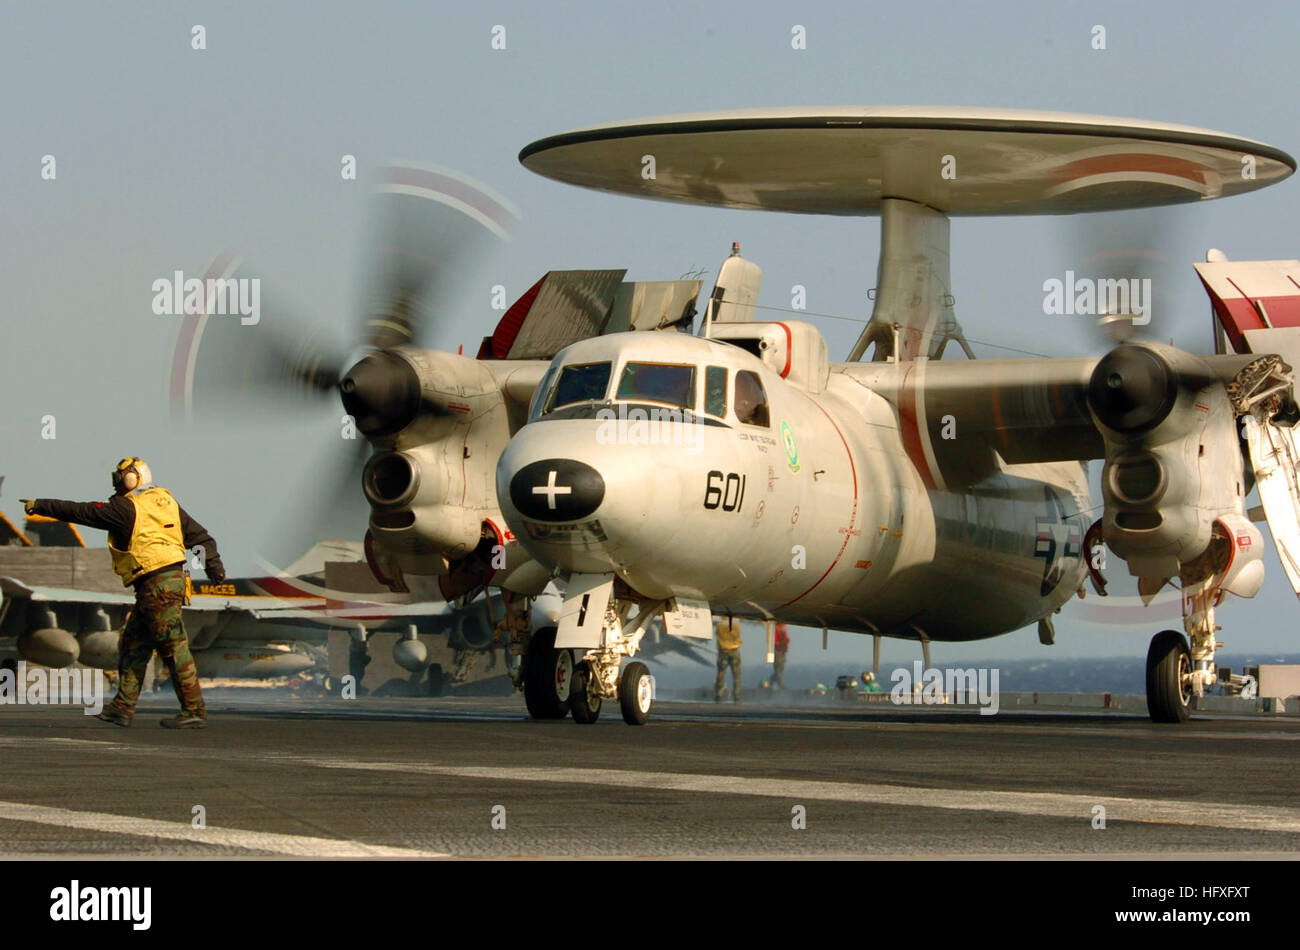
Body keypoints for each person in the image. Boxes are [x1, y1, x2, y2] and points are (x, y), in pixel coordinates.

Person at [21, 457, 225, 729]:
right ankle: (122, 708)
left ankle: (194, 709)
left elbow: (81, 512)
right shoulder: (166, 502)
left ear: (132, 478)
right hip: (166, 584)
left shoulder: (126, 508)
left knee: (173, 646)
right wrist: (215, 569)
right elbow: (202, 538)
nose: (116, 482)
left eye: (119, 477)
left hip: (156, 585)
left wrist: (41, 505)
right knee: (133, 645)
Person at [714, 615, 742, 702]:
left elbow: (717, 634)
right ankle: (737, 696)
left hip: (723, 652)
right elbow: (738, 636)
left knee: (721, 674)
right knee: (736, 675)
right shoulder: (736, 624)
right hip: (734, 651)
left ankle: (718, 694)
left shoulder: (720, 624)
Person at [772, 621, 789, 689]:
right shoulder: (776, 626)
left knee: (781, 669)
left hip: (782, 649)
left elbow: (785, 637)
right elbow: (775, 640)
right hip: (778, 649)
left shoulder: (783, 625)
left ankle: (773, 682)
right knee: (778, 670)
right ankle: (782, 686)